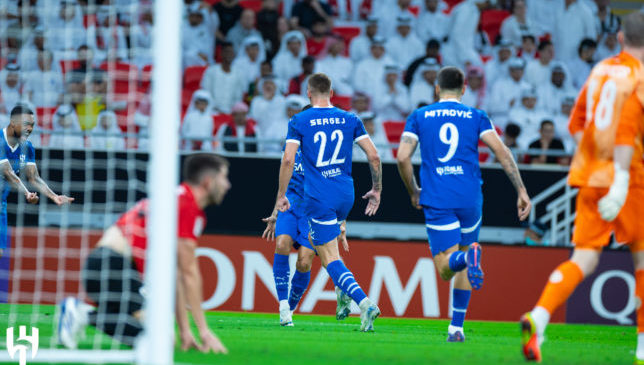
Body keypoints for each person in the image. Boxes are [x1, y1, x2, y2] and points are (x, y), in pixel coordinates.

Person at [521, 12, 644, 363]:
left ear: (619, 37)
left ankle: (539, 317)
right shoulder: (639, 76)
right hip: (627, 177)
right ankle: (642, 348)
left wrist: (595, 161)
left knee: (584, 259)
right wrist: (619, 176)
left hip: (589, 178)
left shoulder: (601, 70)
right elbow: (626, 130)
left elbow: (575, 123)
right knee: (642, 259)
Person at [397, 66, 531, 342]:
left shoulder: (420, 116)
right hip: (471, 198)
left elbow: (401, 157)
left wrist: (413, 190)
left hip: (438, 198)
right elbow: (502, 152)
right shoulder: (476, 116)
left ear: (436, 88)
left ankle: (466, 258)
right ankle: (456, 328)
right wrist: (521, 189)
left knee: (447, 267)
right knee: (465, 257)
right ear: (464, 89)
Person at [56, 153, 229, 353]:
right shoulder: (187, 207)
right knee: (161, 340)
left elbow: (176, 276)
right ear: (208, 182)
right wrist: (204, 331)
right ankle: (79, 312)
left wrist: (185, 331)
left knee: (162, 337)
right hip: (114, 268)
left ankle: (81, 313)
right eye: (224, 178)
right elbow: (188, 273)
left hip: (103, 265)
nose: (228, 185)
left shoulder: (176, 199)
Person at [277, 73, 383, 331]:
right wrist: (377, 189)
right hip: (346, 193)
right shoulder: (351, 118)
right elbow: (374, 156)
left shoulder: (299, 120)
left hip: (319, 196)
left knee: (329, 258)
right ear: (332, 93)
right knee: (319, 243)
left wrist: (281, 194)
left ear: (308, 93)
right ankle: (343, 292)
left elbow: (289, 160)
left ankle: (363, 302)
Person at [0, 105, 74, 258]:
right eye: (26, 123)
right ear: (13, 122)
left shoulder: (27, 147)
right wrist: (27, 193)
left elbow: (34, 177)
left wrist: (54, 197)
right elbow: (8, 173)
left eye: (32, 125)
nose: (30, 128)